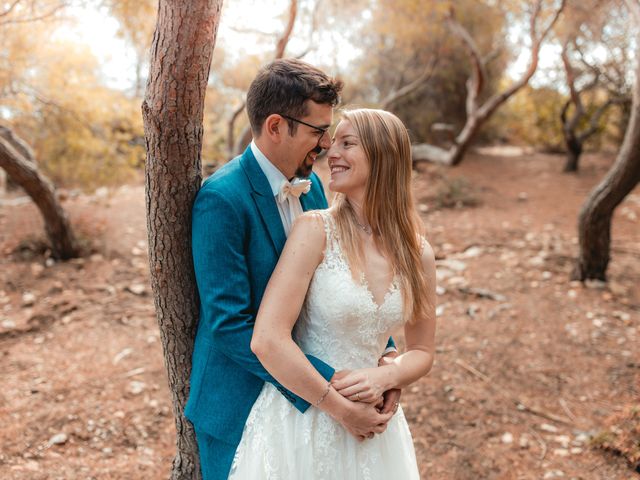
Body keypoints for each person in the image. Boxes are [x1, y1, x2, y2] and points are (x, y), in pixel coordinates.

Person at [185, 59, 399, 480]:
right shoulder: (221, 200)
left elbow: (344, 274)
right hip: (239, 401)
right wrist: (329, 390)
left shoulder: (315, 186)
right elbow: (230, 325)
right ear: (277, 126)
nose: (326, 146)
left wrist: (384, 354)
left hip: (309, 395)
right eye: (318, 132)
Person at [230, 108, 437, 478]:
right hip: (304, 421)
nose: (331, 152)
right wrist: (342, 410)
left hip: (376, 429)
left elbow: (421, 351)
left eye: (347, 143)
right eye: (332, 141)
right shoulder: (315, 230)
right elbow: (267, 338)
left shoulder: (417, 252)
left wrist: (387, 377)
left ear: (383, 156)